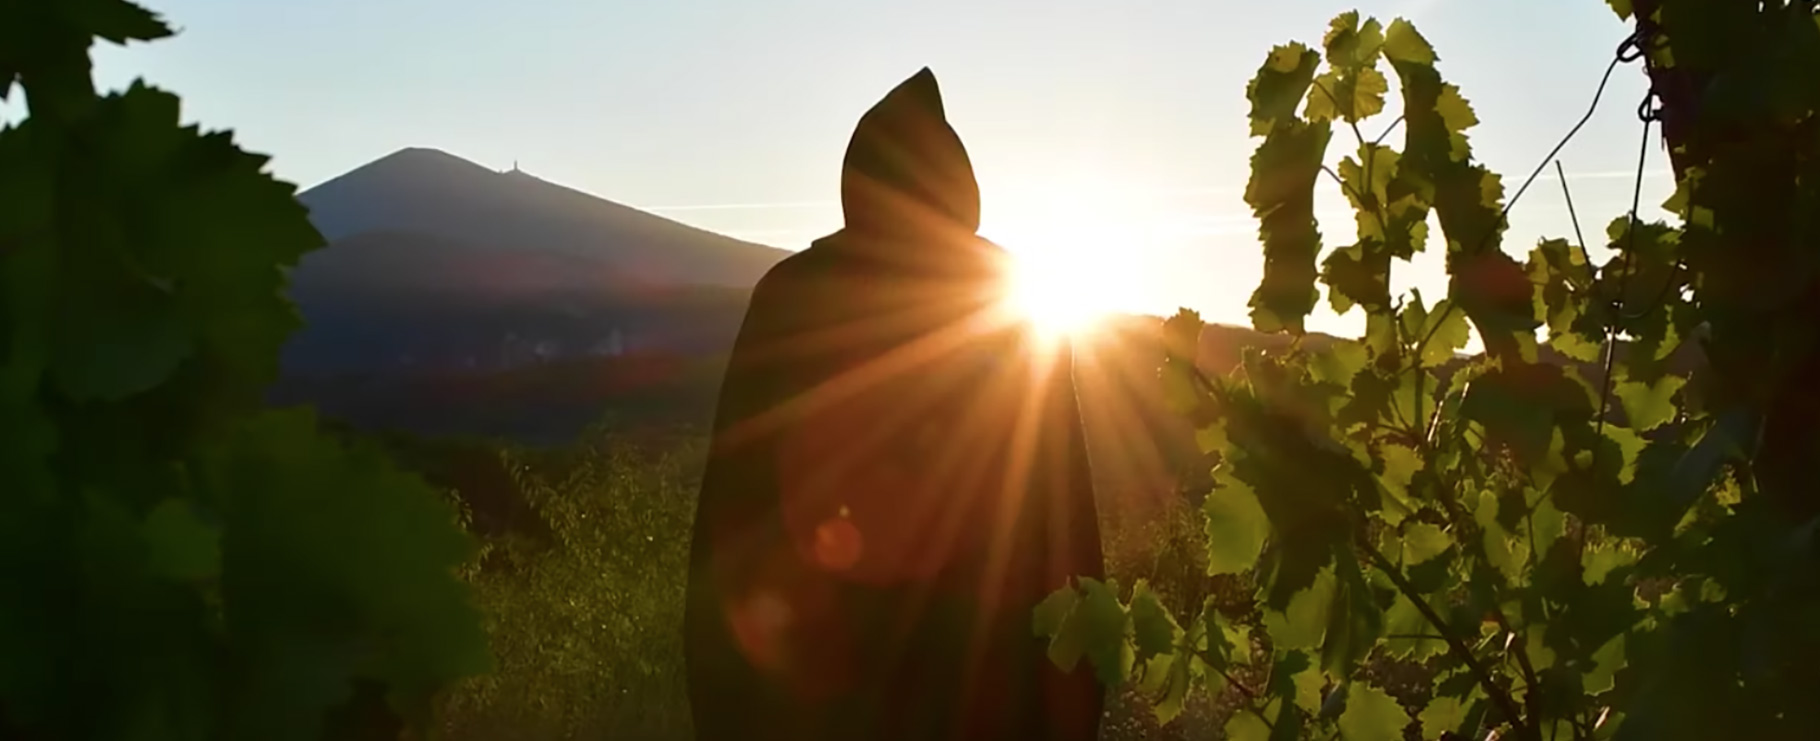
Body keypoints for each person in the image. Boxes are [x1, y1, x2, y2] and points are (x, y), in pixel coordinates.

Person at [682, 67, 1105, 741]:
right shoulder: (1011, 303)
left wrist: (727, 699)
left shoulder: (791, 299)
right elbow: (1066, 527)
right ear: (960, 191)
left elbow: (732, 516)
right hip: (985, 695)